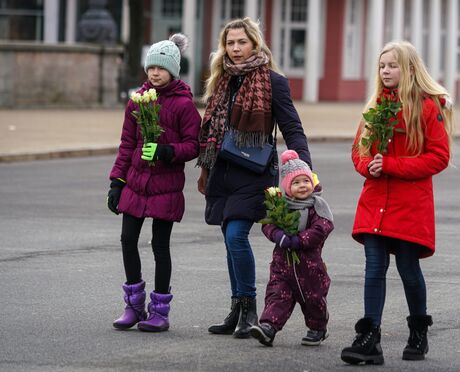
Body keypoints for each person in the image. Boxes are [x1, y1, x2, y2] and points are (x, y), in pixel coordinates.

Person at [196, 17, 312, 339]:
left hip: (255, 171)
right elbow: (210, 127)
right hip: (222, 169)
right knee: (227, 238)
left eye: (241, 42)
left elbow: (292, 128)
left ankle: (249, 309)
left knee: (236, 235)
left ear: (255, 44)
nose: (235, 49)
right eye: (230, 43)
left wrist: (305, 169)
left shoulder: (273, 82)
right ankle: (237, 308)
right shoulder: (221, 80)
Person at [340, 41, 453, 365]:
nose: (385, 71)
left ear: (410, 69)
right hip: (375, 200)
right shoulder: (375, 106)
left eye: (392, 65)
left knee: (408, 268)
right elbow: (359, 150)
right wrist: (368, 166)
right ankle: (369, 338)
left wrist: (390, 165)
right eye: (382, 66)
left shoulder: (427, 107)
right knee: (374, 267)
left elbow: (439, 157)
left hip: (409, 204)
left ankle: (419, 330)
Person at [108, 33, 201, 332]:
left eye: (160, 68)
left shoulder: (184, 105)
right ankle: (133, 305)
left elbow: (194, 145)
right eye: (151, 68)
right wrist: (117, 181)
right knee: (127, 240)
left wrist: (167, 151)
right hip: (136, 182)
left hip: (166, 184)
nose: (154, 73)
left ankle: (159, 311)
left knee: (160, 246)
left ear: (173, 70)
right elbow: (126, 144)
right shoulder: (137, 102)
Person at [250, 150, 334, 347]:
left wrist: (299, 240)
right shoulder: (281, 205)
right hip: (283, 264)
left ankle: (317, 328)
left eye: (305, 181)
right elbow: (268, 224)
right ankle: (268, 327)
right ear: (287, 187)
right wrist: (278, 235)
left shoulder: (317, 206)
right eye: (296, 183)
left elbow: (322, 227)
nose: (302, 186)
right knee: (277, 294)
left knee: (313, 299)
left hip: (310, 266)